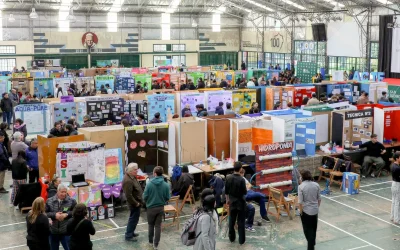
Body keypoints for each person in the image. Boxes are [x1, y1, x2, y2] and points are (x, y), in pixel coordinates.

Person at [142, 166, 170, 250]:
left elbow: (144, 196)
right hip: (160, 208)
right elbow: (168, 197)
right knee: (158, 226)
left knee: (151, 225)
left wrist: (147, 201)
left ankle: (150, 242)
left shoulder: (149, 184)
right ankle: (156, 245)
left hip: (150, 208)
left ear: (154, 173)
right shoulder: (166, 185)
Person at [46, 184, 77, 250]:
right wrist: (55, 215)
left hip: (66, 232)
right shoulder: (49, 201)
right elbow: (45, 213)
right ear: (57, 191)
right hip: (53, 232)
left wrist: (66, 214)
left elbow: (75, 212)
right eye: (62, 192)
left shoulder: (72, 201)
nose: (63, 194)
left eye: (65, 192)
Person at [225, 162, 247, 245]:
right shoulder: (241, 179)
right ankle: (241, 241)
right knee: (241, 222)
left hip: (232, 202)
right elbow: (244, 192)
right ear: (240, 168)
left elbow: (226, 192)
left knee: (232, 221)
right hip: (241, 203)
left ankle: (232, 238)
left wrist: (227, 200)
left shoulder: (228, 178)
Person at [298, 170, 321, 250]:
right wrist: (316, 208)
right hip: (315, 211)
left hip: (306, 212)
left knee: (307, 230)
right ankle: (312, 242)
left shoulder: (301, 186)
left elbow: (300, 202)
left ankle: (311, 246)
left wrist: (301, 213)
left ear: (302, 177)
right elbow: (319, 199)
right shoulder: (316, 185)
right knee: (314, 229)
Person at [122, 163, 143, 242]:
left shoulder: (132, 177)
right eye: (135, 169)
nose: (137, 171)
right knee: (133, 219)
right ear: (130, 171)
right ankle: (128, 235)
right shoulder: (128, 180)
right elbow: (128, 195)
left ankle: (131, 232)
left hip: (137, 202)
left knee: (135, 219)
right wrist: (136, 203)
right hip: (134, 204)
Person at [391, 151, 400, 225]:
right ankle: (396, 219)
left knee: (394, 201)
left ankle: (392, 216)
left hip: (393, 184)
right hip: (397, 185)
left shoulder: (393, 165)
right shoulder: (397, 168)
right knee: (397, 202)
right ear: (397, 158)